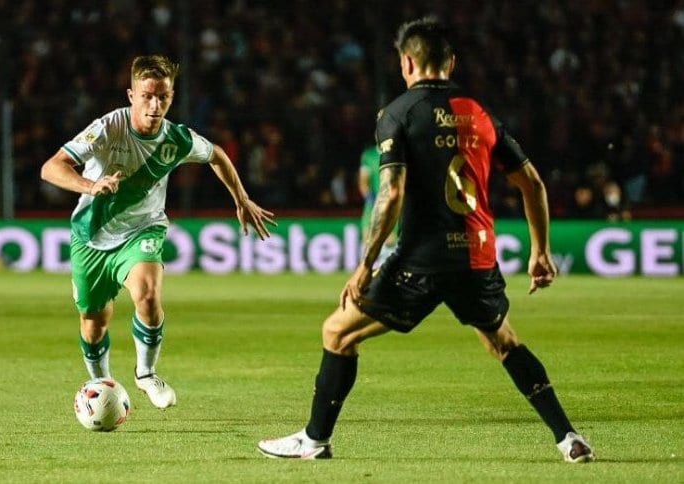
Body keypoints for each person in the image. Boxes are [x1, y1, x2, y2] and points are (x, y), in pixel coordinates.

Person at [257, 17, 594, 463]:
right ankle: (567, 438)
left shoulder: (396, 114)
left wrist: (365, 263)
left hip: (419, 261)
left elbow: (391, 192)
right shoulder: (480, 113)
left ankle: (314, 440)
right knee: (503, 342)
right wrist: (540, 251)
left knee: (336, 332)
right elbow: (532, 182)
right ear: (450, 63)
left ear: (407, 62)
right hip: (476, 258)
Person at [41, 55, 276, 409]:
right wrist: (90, 186)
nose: (155, 105)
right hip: (91, 235)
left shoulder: (178, 139)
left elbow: (218, 156)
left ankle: (146, 373)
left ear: (171, 96)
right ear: (131, 95)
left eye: (163, 97)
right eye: (147, 96)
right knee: (93, 321)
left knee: (148, 295)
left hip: (143, 228)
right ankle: (100, 382)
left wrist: (241, 199)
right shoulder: (107, 128)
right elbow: (51, 167)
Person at [357, 144, 397, 262]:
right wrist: (370, 198)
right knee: (368, 241)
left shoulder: (397, 152)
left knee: (391, 242)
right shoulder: (369, 155)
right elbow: (363, 182)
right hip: (373, 206)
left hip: (393, 206)